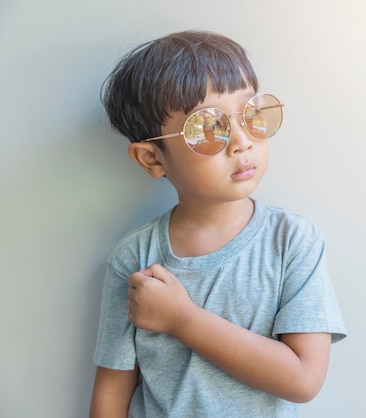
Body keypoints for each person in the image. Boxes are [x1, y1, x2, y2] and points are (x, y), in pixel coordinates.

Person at [89, 30, 347, 418]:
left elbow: (303, 380)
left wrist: (182, 319)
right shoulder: (135, 257)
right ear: (151, 159)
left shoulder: (292, 241)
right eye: (206, 128)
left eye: (250, 114)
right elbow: (112, 389)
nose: (241, 141)